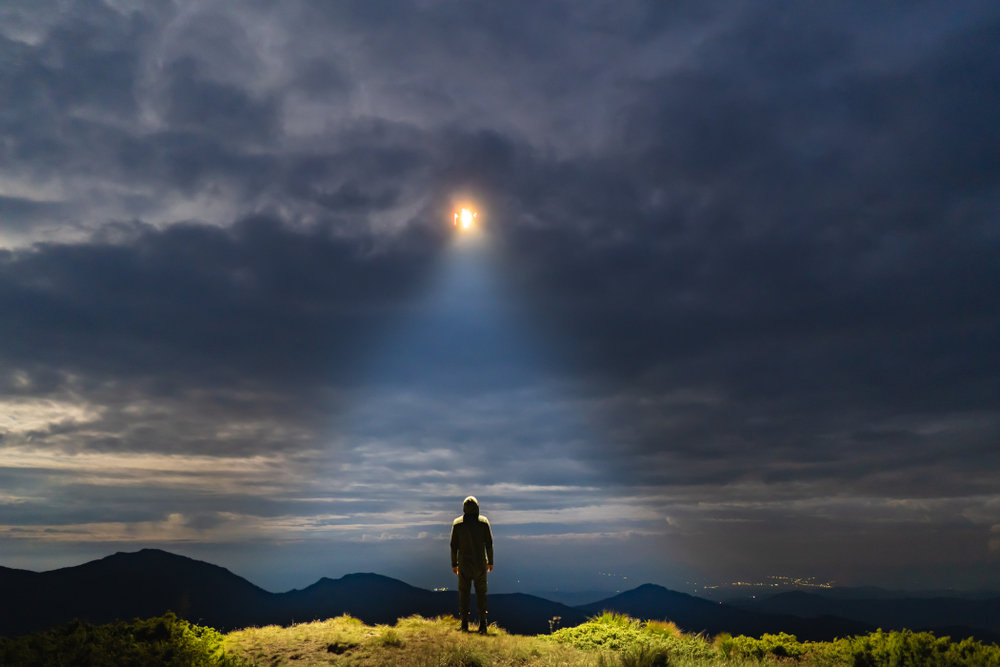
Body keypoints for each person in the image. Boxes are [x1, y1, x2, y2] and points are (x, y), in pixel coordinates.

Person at [450, 495, 494, 634]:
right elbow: (489, 544)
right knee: (481, 593)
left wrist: (454, 563)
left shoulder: (457, 524)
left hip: (464, 564)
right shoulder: (483, 522)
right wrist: (490, 561)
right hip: (480, 564)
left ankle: (464, 624)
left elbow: (453, 546)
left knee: (464, 593)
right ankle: (483, 624)